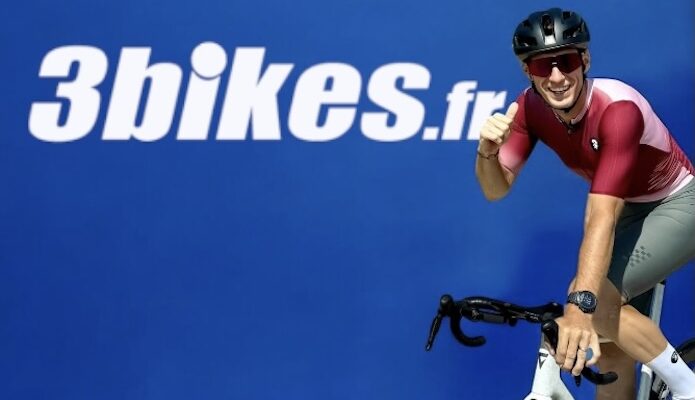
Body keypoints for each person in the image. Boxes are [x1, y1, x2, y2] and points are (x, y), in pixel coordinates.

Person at [475, 8, 695, 400]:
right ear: (527, 71)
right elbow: (495, 188)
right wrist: (487, 153)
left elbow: (602, 215)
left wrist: (580, 307)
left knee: (595, 302)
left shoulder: (618, 111)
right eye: (543, 66)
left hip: (678, 203)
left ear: (585, 60)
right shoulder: (530, 108)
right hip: (630, 209)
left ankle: (688, 389)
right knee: (609, 353)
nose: (557, 77)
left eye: (566, 61)